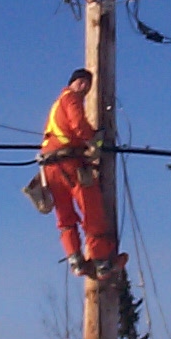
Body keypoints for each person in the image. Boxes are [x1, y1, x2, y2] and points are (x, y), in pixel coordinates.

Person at [40, 68, 117, 276]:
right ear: (77, 83)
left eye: (87, 85)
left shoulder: (57, 104)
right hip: (70, 164)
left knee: (65, 215)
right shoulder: (71, 99)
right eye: (84, 83)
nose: (85, 88)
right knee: (91, 210)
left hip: (50, 167)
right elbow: (79, 126)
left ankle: (75, 260)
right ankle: (101, 260)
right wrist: (95, 139)